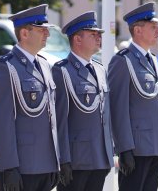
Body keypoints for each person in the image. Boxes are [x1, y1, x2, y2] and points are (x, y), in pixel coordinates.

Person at [0, 4, 60, 191]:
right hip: (21, 166)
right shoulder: (6, 68)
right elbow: (1, 123)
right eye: (41, 30)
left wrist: (56, 160)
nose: (47, 34)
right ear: (25, 34)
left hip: (45, 164)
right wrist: (9, 166)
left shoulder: (43, 65)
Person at [108, 2, 158, 191]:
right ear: (137, 30)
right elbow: (117, 108)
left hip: (155, 146)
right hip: (136, 148)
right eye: (153, 26)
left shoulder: (152, 59)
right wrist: (124, 148)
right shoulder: (122, 61)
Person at [52, 11, 114, 191]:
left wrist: (110, 152)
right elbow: (59, 121)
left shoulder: (100, 70)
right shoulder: (62, 71)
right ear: (77, 40)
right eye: (93, 34)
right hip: (76, 160)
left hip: (99, 157)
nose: (98, 38)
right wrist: (63, 159)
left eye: (99, 34)